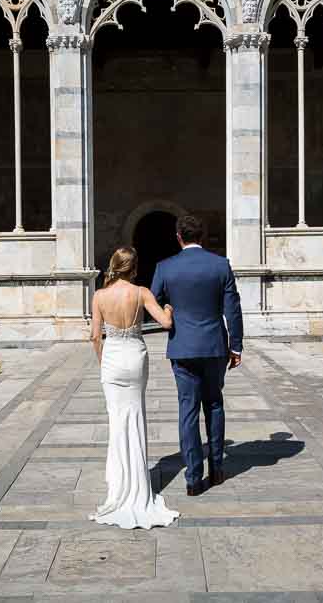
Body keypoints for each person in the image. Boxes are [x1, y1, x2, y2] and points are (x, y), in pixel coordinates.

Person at [151, 215, 243, 496]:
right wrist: (236, 345)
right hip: (214, 346)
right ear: (201, 236)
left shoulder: (165, 267)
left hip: (182, 346)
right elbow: (233, 309)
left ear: (179, 236)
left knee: (187, 411)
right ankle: (217, 469)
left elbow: (152, 300)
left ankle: (193, 478)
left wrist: (168, 308)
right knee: (214, 405)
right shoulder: (220, 265)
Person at [89, 246, 180, 529]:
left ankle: (118, 483)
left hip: (113, 360)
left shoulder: (100, 295)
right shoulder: (141, 292)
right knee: (136, 416)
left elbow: (95, 336)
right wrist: (168, 308)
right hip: (136, 357)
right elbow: (165, 323)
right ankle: (138, 483)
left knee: (117, 420)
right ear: (135, 267)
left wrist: (104, 362)